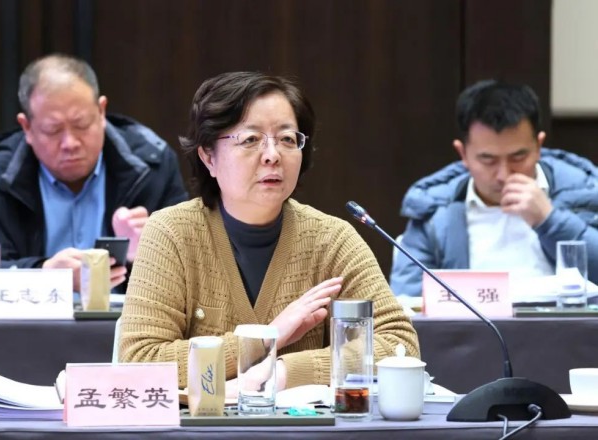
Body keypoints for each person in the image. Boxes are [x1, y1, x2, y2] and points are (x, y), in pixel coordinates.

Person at [119, 71, 419, 391]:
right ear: (208, 157)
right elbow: (140, 361)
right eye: (250, 139)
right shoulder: (170, 233)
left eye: (287, 139)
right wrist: (264, 338)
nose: (273, 155)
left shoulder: (332, 239)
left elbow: (400, 345)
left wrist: (282, 372)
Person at [0, 54, 188, 293]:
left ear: (101, 112)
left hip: (128, 317)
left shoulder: (152, 166)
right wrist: (45, 276)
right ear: (27, 127)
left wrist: (148, 254)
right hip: (34, 317)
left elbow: (195, 276)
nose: (70, 143)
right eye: (53, 129)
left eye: (81, 124)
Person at [390, 79, 598, 296]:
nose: (503, 175)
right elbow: (406, 301)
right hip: (471, 320)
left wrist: (549, 220)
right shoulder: (433, 211)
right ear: (463, 154)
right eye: (488, 160)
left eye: (518, 157)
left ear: (539, 146)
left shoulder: (585, 193)